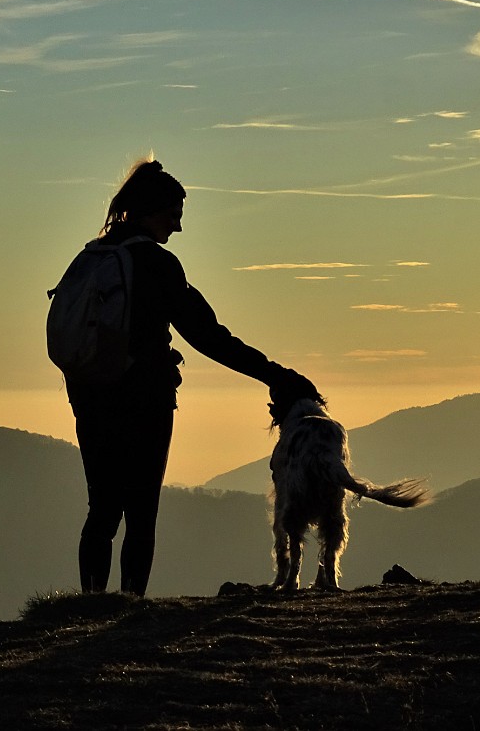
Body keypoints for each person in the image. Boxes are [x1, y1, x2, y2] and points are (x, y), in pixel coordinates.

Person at [66, 157, 321, 596]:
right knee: (141, 510)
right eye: (173, 216)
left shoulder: (91, 257)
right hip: (145, 400)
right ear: (151, 211)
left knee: (102, 509)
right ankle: (129, 608)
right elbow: (209, 336)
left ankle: (89, 605)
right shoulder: (158, 264)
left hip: (91, 397)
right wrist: (275, 374)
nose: (177, 228)